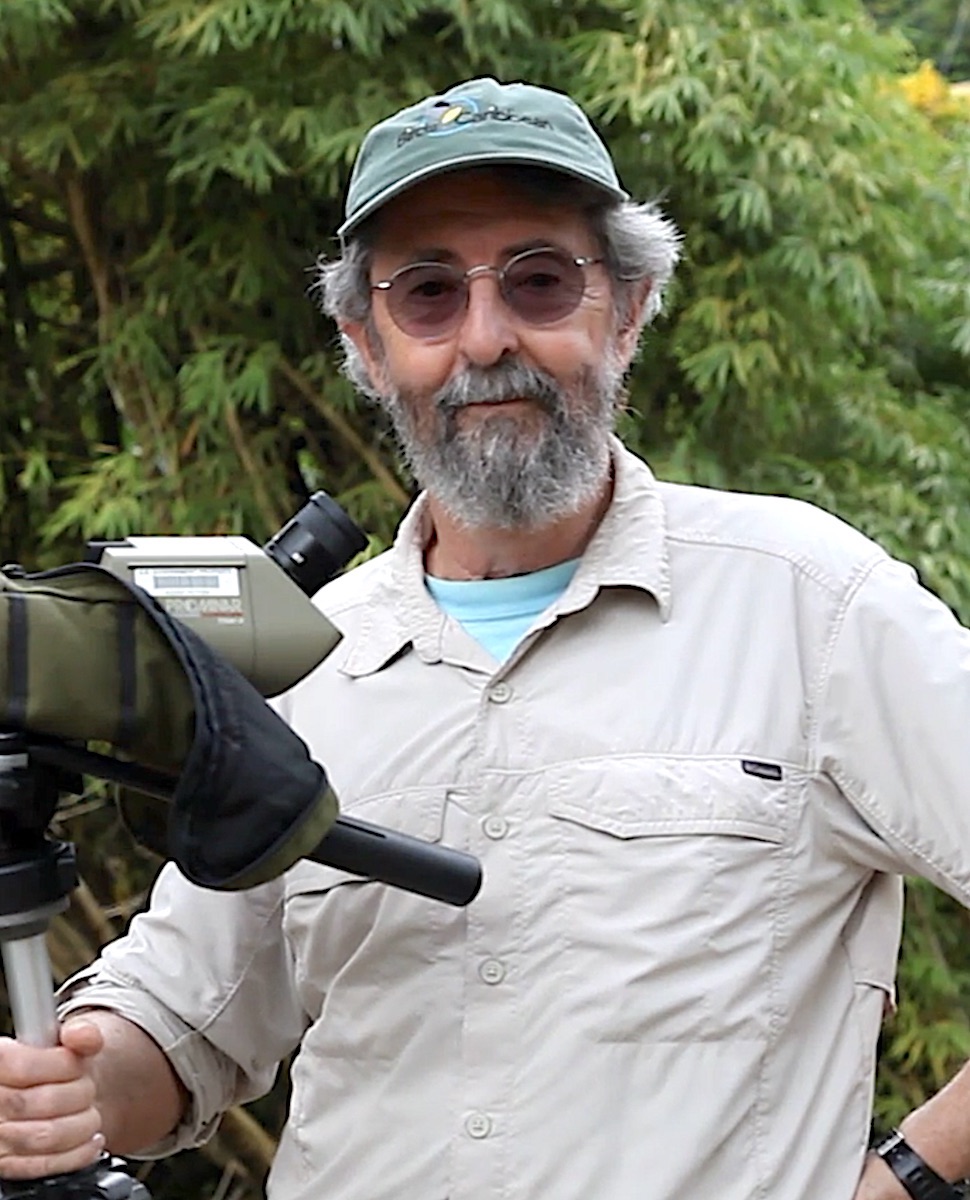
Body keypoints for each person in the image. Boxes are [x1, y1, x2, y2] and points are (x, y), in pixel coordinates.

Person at [0, 76, 969, 1200]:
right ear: (365, 344)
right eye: (426, 294)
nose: (486, 337)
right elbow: (183, 1021)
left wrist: (909, 1180)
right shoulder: (302, 659)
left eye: (539, 281)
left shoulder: (813, 606)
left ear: (629, 308)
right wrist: (68, 1093)